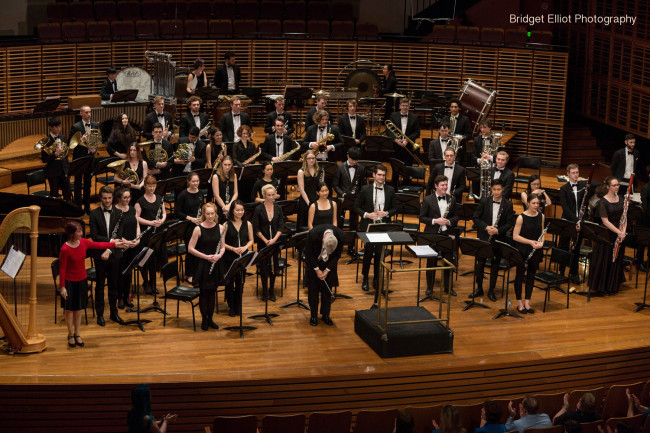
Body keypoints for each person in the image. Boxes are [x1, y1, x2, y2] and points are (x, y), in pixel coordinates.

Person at [59, 221, 125, 347]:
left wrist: (114, 244)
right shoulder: (65, 249)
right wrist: (62, 287)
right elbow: (62, 269)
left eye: (81, 231)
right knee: (69, 311)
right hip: (69, 282)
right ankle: (70, 334)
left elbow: (99, 245)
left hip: (82, 280)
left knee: (78, 309)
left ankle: (77, 334)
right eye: (78, 231)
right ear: (71, 234)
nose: (81, 233)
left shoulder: (83, 242)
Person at [354, 165, 397, 306]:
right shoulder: (365, 189)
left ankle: (377, 279)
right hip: (368, 225)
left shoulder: (390, 190)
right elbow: (356, 207)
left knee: (380, 253)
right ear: (374, 175)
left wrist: (387, 213)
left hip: (383, 225)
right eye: (379, 175)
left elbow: (395, 208)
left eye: (383, 175)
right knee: (368, 252)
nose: (381, 177)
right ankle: (366, 277)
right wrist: (367, 214)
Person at [471, 179, 515, 302]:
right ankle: (479, 288)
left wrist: (498, 230)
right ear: (491, 189)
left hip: (498, 238)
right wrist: (486, 227)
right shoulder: (484, 201)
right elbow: (475, 217)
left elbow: (510, 223)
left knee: (495, 265)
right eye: (494, 189)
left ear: (503, 190)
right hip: (484, 237)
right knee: (480, 264)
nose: (496, 192)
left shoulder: (508, 204)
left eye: (499, 190)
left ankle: (491, 290)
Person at [89, 186, 127, 326]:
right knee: (99, 285)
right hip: (100, 255)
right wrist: (110, 243)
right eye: (104, 198)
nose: (107, 201)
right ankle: (100, 314)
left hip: (113, 254)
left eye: (109, 198)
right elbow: (95, 236)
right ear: (100, 198)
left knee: (114, 285)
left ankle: (113, 312)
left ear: (113, 198)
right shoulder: (93, 214)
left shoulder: (119, 213)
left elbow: (118, 234)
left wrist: (109, 249)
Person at [188, 202, 225, 331]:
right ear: (204, 214)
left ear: (215, 213)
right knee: (204, 293)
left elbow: (223, 247)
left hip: (215, 263)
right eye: (207, 214)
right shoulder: (198, 228)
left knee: (212, 292)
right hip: (203, 264)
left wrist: (219, 255)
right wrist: (206, 257)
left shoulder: (220, 228)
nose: (210, 216)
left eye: (212, 213)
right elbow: (190, 248)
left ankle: (210, 319)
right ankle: (204, 319)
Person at [419, 175, 459, 297]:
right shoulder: (427, 199)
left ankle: (448, 287)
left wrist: (449, 221)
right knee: (431, 262)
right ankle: (430, 288)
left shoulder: (452, 198)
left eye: (446, 185)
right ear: (436, 186)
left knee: (448, 261)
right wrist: (436, 221)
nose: (445, 187)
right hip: (432, 234)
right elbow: (422, 218)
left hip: (447, 234)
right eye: (442, 185)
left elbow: (456, 217)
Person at [588, 176, 627, 295]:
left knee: (616, 258)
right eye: (614, 185)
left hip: (619, 232)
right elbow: (605, 221)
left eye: (618, 185)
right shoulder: (602, 202)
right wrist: (619, 232)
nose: (617, 187)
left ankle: (612, 285)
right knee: (605, 258)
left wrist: (623, 232)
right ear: (608, 187)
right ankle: (602, 286)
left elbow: (624, 217)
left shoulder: (621, 199)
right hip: (607, 233)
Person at [304, 224, 344, 326]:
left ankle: (326, 315)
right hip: (313, 265)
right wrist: (317, 270)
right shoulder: (313, 234)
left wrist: (327, 270)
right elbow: (309, 254)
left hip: (329, 265)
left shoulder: (340, 235)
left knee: (327, 291)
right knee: (313, 292)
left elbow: (337, 255)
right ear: (323, 240)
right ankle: (313, 315)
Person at [512, 193, 545, 314]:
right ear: (528, 203)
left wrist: (541, 243)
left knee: (531, 276)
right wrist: (530, 242)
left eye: (538, 203)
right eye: (534, 203)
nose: (536, 205)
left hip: (535, 250)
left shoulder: (541, 216)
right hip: (522, 250)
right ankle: (519, 303)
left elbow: (542, 233)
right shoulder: (521, 217)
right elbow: (515, 236)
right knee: (520, 276)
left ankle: (527, 302)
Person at [135, 175, 167, 294]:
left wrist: (161, 221)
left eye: (153, 186)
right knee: (145, 260)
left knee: (155, 260)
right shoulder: (140, 201)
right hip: (146, 234)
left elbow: (164, 214)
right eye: (149, 186)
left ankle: (153, 282)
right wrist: (150, 223)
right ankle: (146, 282)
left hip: (157, 234)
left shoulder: (159, 198)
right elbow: (136, 218)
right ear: (145, 186)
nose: (152, 188)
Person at [253, 184, 284, 302]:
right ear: (264, 195)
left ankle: (271, 290)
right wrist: (265, 240)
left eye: (273, 195)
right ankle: (264, 291)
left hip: (275, 242)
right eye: (269, 195)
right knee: (264, 268)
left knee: (274, 267)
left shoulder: (278, 208)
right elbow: (256, 228)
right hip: (263, 242)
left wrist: (274, 240)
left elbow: (281, 226)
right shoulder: (258, 209)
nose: (271, 197)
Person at [223, 200, 254, 317]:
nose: (240, 212)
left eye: (242, 210)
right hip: (230, 257)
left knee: (240, 282)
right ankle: (231, 307)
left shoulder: (248, 224)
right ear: (232, 211)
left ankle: (238, 305)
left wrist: (245, 247)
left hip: (243, 257)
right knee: (230, 283)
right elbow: (222, 243)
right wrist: (233, 249)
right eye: (237, 210)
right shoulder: (226, 225)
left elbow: (251, 240)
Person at [332, 147, 365, 255]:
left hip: (355, 200)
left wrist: (360, 197)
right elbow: (335, 185)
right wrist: (343, 194)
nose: (354, 162)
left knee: (354, 224)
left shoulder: (361, 168)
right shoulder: (340, 167)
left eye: (356, 160)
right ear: (347, 156)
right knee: (340, 224)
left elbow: (362, 186)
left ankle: (351, 247)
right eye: (352, 160)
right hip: (342, 199)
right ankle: (339, 246)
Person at [559, 164, 587, 283]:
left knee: (576, 249)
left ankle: (574, 273)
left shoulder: (583, 186)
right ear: (568, 174)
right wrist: (576, 220)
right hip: (568, 222)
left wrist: (581, 221)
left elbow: (584, 206)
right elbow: (565, 208)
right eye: (573, 173)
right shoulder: (564, 189)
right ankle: (561, 272)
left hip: (580, 222)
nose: (576, 175)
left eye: (577, 172)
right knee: (564, 246)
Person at [174, 172, 204, 285]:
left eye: (197, 181)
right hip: (188, 226)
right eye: (193, 181)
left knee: (200, 249)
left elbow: (201, 208)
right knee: (191, 251)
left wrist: (202, 217)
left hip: (199, 225)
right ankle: (189, 274)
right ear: (188, 182)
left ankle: (198, 272)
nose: (195, 183)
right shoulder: (183, 195)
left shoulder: (201, 193)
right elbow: (177, 212)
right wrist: (191, 218)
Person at [69, 105, 99, 214]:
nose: (89, 115)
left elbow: (97, 140)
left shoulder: (95, 125)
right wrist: (81, 140)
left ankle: (87, 207)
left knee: (88, 183)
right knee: (77, 184)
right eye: (86, 112)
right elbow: (70, 143)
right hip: (79, 158)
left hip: (90, 158)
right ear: (81, 113)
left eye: (90, 112)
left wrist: (94, 148)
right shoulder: (76, 127)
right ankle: (78, 207)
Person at [115, 187, 140, 310]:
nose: (127, 199)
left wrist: (138, 239)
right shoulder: (115, 211)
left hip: (132, 245)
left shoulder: (132, 209)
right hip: (121, 246)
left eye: (129, 197)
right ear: (119, 198)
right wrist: (126, 242)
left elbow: (137, 225)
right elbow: (115, 232)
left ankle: (126, 297)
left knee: (129, 273)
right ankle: (119, 297)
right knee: (121, 273)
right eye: (125, 197)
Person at [41, 116, 71, 201]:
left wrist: (68, 171)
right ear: (50, 127)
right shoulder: (46, 141)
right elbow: (44, 159)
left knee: (68, 193)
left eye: (59, 126)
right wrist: (55, 154)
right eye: (56, 126)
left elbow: (65, 156)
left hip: (63, 171)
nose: (58, 128)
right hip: (53, 172)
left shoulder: (62, 137)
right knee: (54, 195)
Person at [297, 150, 324, 230]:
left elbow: (322, 188)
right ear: (305, 159)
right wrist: (309, 203)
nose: (311, 160)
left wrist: (319, 202)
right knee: (304, 225)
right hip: (305, 201)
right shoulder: (301, 171)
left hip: (317, 201)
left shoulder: (321, 171)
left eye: (313, 158)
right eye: (309, 158)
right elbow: (301, 189)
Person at [388, 98, 420, 166]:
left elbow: (417, 132)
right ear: (399, 106)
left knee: (408, 168)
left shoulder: (414, 117)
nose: (405, 107)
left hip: (409, 146)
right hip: (396, 146)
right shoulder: (393, 115)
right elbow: (389, 130)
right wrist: (396, 140)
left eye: (406, 105)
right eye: (403, 105)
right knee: (396, 168)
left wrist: (407, 139)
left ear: (409, 106)